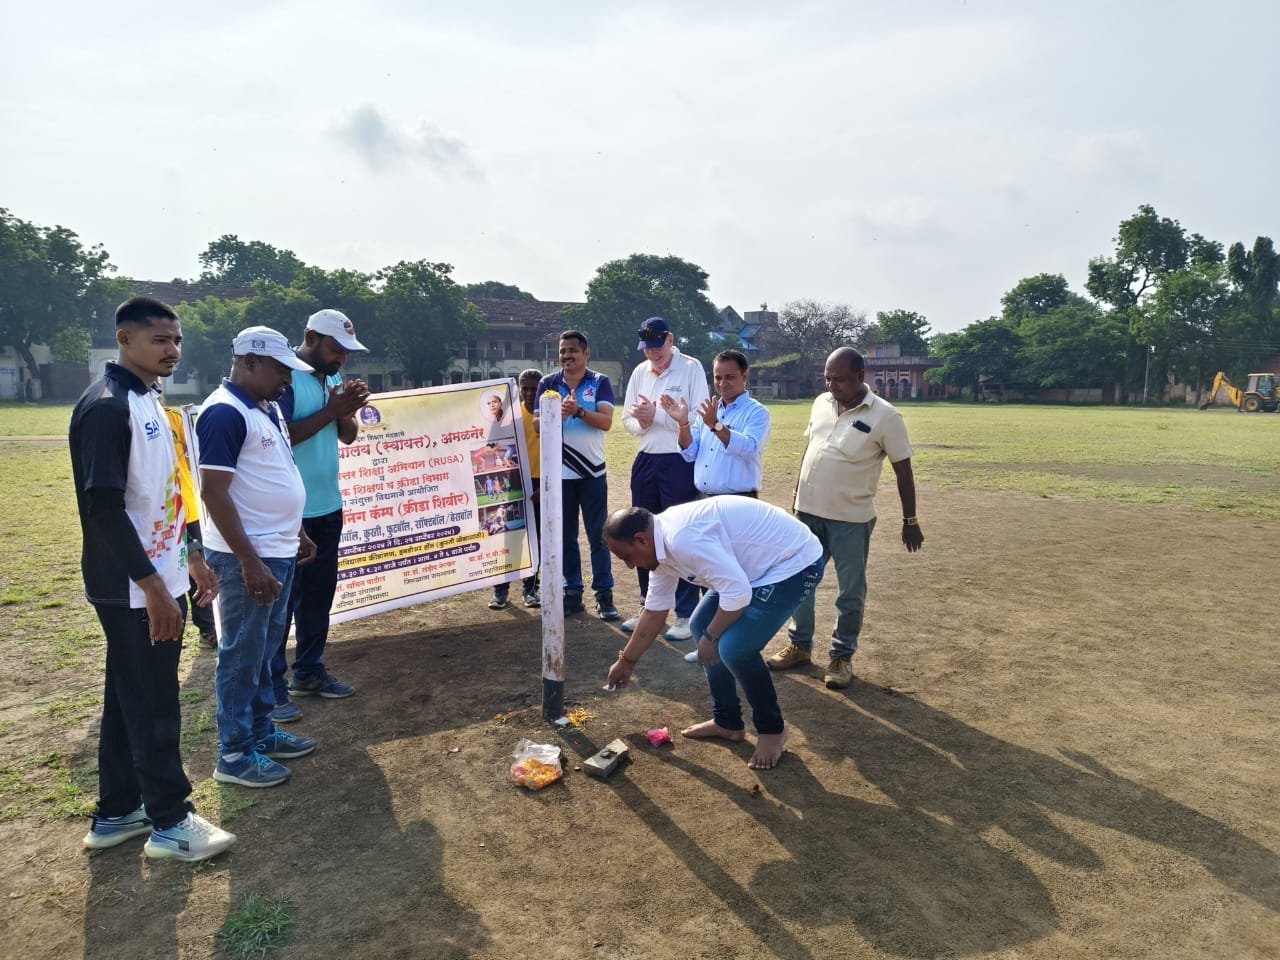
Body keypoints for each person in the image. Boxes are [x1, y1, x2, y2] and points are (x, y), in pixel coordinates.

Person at [71, 295, 235, 861]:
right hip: (133, 589)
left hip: (159, 576)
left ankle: (117, 811)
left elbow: (168, 489)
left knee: (128, 697)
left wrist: (190, 556)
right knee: (155, 704)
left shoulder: (151, 400)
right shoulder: (108, 407)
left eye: (177, 340)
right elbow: (104, 508)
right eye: (159, 340)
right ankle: (171, 821)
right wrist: (154, 586)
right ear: (124, 339)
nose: (173, 349)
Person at [603, 500, 823, 770]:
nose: (628, 565)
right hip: (748, 569)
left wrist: (711, 638)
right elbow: (654, 612)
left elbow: (738, 594)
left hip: (794, 563)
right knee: (699, 624)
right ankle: (728, 722)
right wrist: (627, 661)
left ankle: (772, 729)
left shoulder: (682, 541)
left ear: (641, 540)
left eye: (626, 557)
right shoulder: (659, 548)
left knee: (734, 649)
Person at [198, 326, 318, 788]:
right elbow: (213, 491)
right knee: (242, 654)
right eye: (280, 370)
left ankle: (262, 733)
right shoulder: (224, 414)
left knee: (266, 650)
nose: (286, 380)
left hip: (278, 548)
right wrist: (249, 561)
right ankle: (234, 753)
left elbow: (276, 476)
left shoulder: (264, 408)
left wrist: (299, 531)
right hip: (247, 558)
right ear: (249, 362)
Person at [766, 346, 924, 689]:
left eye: (839, 379)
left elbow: (904, 472)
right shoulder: (821, 403)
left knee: (850, 592)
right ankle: (800, 645)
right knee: (799, 583)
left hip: (850, 520)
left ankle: (841, 657)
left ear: (860, 376)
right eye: (827, 377)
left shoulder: (886, 417)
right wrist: (796, 498)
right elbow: (811, 453)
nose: (832, 385)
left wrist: (910, 520)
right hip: (807, 514)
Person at [268, 309, 370, 719]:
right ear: (310, 336)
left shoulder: (331, 378)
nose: (342, 358)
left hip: (329, 505)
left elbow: (346, 436)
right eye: (335, 348)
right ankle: (272, 686)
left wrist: (344, 409)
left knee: (318, 595)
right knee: (281, 604)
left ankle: (308, 671)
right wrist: (332, 410)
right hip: (292, 514)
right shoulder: (283, 379)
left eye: (347, 352)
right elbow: (279, 437)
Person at [663, 348, 772, 661]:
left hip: (738, 503)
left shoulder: (756, 412)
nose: (723, 383)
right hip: (704, 501)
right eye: (718, 377)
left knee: (736, 574)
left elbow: (747, 447)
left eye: (730, 377)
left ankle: (734, 644)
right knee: (706, 570)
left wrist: (714, 425)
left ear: (745, 376)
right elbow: (690, 452)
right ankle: (708, 641)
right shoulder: (709, 410)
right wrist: (684, 423)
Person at [620, 317, 709, 641]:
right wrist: (642, 423)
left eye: (658, 347)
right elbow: (626, 419)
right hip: (647, 458)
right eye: (647, 349)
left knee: (679, 536)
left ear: (670, 339)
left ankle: (685, 614)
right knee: (641, 534)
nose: (653, 355)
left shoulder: (690, 368)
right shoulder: (640, 372)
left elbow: (697, 419)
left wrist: (657, 416)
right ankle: (648, 605)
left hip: (679, 460)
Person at [534, 331, 618, 620]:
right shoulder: (548, 384)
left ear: (586, 353)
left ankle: (604, 595)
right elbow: (536, 425)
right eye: (562, 351)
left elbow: (606, 422)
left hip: (592, 472)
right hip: (559, 475)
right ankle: (572, 593)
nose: (567, 356)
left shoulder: (600, 382)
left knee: (599, 536)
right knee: (566, 537)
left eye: (572, 351)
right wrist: (558, 415)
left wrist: (579, 411)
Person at [162, 397, 218, 649]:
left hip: (190, 508)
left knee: (201, 570)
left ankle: (207, 628)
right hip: (164, 512)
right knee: (174, 568)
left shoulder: (174, 418)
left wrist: (190, 419)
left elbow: (193, 450)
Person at [490, 368, 544, 611]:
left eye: (535, 387)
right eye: (526, 388)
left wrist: (544, 487)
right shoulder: (511, 415)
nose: (530, 392)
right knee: (510, 537)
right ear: (519, 388)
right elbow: (494, 445)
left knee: (537, 541)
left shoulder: (550, 415)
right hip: (514, 481)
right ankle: (500, 592)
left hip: (540, 485)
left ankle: (531, 589)